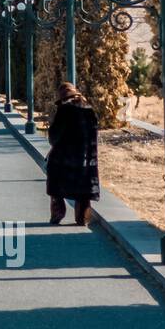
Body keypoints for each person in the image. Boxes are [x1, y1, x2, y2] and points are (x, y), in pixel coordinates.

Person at [46, 82, 100, 226]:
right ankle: (83, 215)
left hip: (64, 158)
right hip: (86, 159)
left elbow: (54, 137)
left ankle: (58, 208)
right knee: (83, 191)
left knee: (53, 175)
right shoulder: (90, 110)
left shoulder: (64, 110)